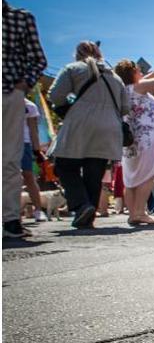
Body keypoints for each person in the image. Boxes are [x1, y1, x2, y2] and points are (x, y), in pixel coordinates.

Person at [48, 41, 128, 229]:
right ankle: (87, 213)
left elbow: (55, 95)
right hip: (109, 128)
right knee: (95, 171)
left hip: (80, 124)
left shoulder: (73, 69)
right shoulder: (115, 78)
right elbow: (126, 107)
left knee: (65, 165)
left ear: (78, 53)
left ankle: (82, 205)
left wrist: (73, 101)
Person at [3, 0, 47, 238]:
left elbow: (39, 59)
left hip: (8, 91)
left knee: (9, 159)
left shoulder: (20, 18)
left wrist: (22, 85)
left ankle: (10, 219)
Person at [114, 57, 154, 226]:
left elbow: (149, 77)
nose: (141, 73)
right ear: (133, 73)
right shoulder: (138, 87)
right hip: (147, 138)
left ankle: (133, 213)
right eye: (138, 71)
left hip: (131, 140)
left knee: (132, 178)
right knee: (147, 174)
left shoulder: (124, 89)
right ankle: (140, 212)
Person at [20, 98, 48, 222]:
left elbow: (33, 130)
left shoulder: (29, 106)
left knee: (29, 175)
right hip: (6, 142)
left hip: (24, 143)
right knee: (10, 177)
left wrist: (37, 151)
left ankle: (38, 210)